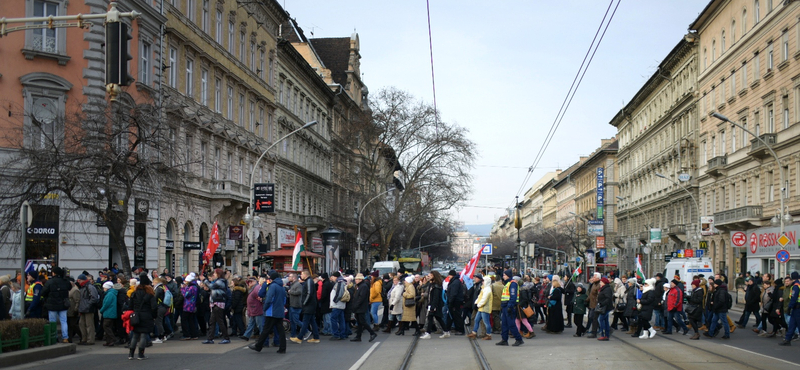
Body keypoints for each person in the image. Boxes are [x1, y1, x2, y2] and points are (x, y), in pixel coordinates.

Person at [249, 272, 287, 353]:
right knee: (280, 330)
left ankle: (258, 346)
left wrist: (265, 308)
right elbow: (284, 299)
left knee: (266, 329)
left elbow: (269, 299)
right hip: (279, 311)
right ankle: (282, 347)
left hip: (271, 311)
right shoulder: (281, 287)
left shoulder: (273, 286)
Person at [127, 273, 157, 360]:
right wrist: (153, 315)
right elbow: (154, 307)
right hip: (147, 315)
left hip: (136, 315)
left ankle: (131, 354)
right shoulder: (150, 294)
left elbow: (130, 306)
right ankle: (140, 354)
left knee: (135, 335)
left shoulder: (134, 293)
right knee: (143, 335)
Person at [41, 267, 72, 343]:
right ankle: (65, 337)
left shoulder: (50, 282)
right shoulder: (65, 281)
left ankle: (54, 337)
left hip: (52, 305)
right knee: (64, 321)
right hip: (63, 304)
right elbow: (70, 287)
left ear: (54, 273)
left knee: (53, 321)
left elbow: (43, 292)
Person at [203, 269, 231, 344]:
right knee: (212, 321)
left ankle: (226, 337)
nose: (213, 275)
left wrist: (205, 281)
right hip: (214, 303)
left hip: (218, 303)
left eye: (215, 273)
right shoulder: (218, 281)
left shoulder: (220, 281)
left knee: (220, 321)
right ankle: (210, 338)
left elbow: (212, 286)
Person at [497, 269, 523, 346]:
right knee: (504, 324)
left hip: (509, 306)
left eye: (504, 275)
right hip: (505, 306)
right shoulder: (508, 283)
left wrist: (510, 306)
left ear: (508, 275)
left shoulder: (512, 284)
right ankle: (504, 339)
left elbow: (513, 296)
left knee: (511, 324)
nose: (503, 276)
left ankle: (518, 339)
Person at [350, 273, 378, 342]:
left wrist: (356, 305)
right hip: (358, 307)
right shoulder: (359, 286)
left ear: (360, 279)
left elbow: (361, 298)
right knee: (359, 322)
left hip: (361, 307)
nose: (355, 280)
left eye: (357, 279)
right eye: (355, 279)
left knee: (362, 321)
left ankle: (372, 333)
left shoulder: (363, 286)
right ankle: (358, 336)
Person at [420, 271, 447, 340]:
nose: (428, 277)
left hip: (435, 305)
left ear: (434, 276)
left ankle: (428, 333)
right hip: (432, 305)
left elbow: (436, 297)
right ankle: (446, 331)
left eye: (430, 275)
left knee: (431, 318)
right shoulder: (431, 285)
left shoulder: (436, 286)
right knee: (438, 318)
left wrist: (433, 306)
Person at [296, 270, 320, 343]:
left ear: (305, 275)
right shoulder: (309, 281)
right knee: (312, 321)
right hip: (311, 305)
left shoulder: (309, 281)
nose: (301, 276)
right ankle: (316, 337)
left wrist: (304, 303)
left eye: (302, 274)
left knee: (305, 321)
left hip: (309, 305)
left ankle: (300, 337)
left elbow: (309, 293)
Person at [76, 274, 99, 345]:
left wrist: (87, 305)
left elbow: (94, 298)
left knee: (89, 325)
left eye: (79, 280)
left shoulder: (89, 287)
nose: (78, 281)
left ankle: (90, 340)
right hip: (83, 309)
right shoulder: (84, 287)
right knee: (81, 324)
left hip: (88, 309)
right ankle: (84, 338)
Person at [469, 274, 493, 340]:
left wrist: (478, 304)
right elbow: (480, 297)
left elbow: (484, 299)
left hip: (484, 308)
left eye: (483, 281)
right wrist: (477, 302)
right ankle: (474, 332)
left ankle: (488, 335)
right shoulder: (484, 288)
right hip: (481, 308)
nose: (482, 282)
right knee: (476, 320)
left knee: (486, 322)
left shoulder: (487, 289)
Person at [443, 270, 465, 336]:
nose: (448, 277)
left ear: (451, 275)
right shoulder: (455, 281)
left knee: (456, 316)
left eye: (449, 275)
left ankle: (460, 330)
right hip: (455, 301)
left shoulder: (455, 282)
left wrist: (450, 301)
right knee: (451, 316)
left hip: (455, 302)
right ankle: (447, 329)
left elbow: (453, 293)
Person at [180, 273, 201, 340]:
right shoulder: (195, 286)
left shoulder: (191, 287)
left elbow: (186, 295)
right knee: (191, 320)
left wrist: (182, 289)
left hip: (188, 306)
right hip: (192, 305)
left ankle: (187, 334)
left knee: (185, 320)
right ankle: (193, 334)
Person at [329, 272, 348, 340]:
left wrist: (334, 301)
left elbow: (339, 293)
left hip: (337, 305)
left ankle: (336, 334)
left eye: (333, 276)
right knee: (341, 319)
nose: (332, 278)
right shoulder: (342, 282)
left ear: (336, 277)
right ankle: (342, 334)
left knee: (333, 319)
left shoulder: (339, 283)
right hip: (340, 305)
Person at [99, 281, 118, 346]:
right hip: (111, 313)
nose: (103, 289)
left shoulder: (109, 294)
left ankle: (112, 339)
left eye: (104, 288)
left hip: (108, 313)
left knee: (106, 326)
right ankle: (109, 341)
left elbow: (106, 304)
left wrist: (101, 310)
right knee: (109, 327)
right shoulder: (112, 293)